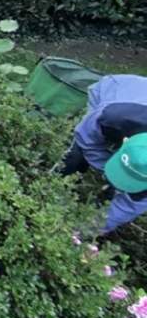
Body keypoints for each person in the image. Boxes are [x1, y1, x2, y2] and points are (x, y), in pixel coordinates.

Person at [60, 73, 147, 232]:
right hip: (117, 90)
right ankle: (60, 181)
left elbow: (128, 207)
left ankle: (113, 189)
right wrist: (105, 167)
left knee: (130, 189)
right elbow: (86, 138)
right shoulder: (112, 116)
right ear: (125, 141)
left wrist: (82, 232)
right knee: (76, 155)